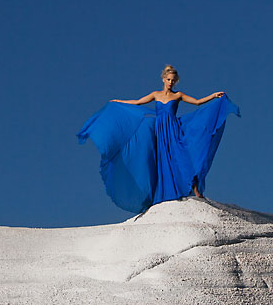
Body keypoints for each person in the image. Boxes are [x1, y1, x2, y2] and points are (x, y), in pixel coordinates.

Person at [77, 64, 239, 213]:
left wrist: (212, 96)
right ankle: (163, 193)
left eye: (173, 80)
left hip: (173, 130)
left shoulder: (178, 95)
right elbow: (138, 102)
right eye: (168, 79)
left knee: (181, 157)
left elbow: (196, 102)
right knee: (161, 161)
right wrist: (119, 101)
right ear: (163, 80)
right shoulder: (155, 94)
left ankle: (194, 187)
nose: (170, 82)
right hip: (160, 132)